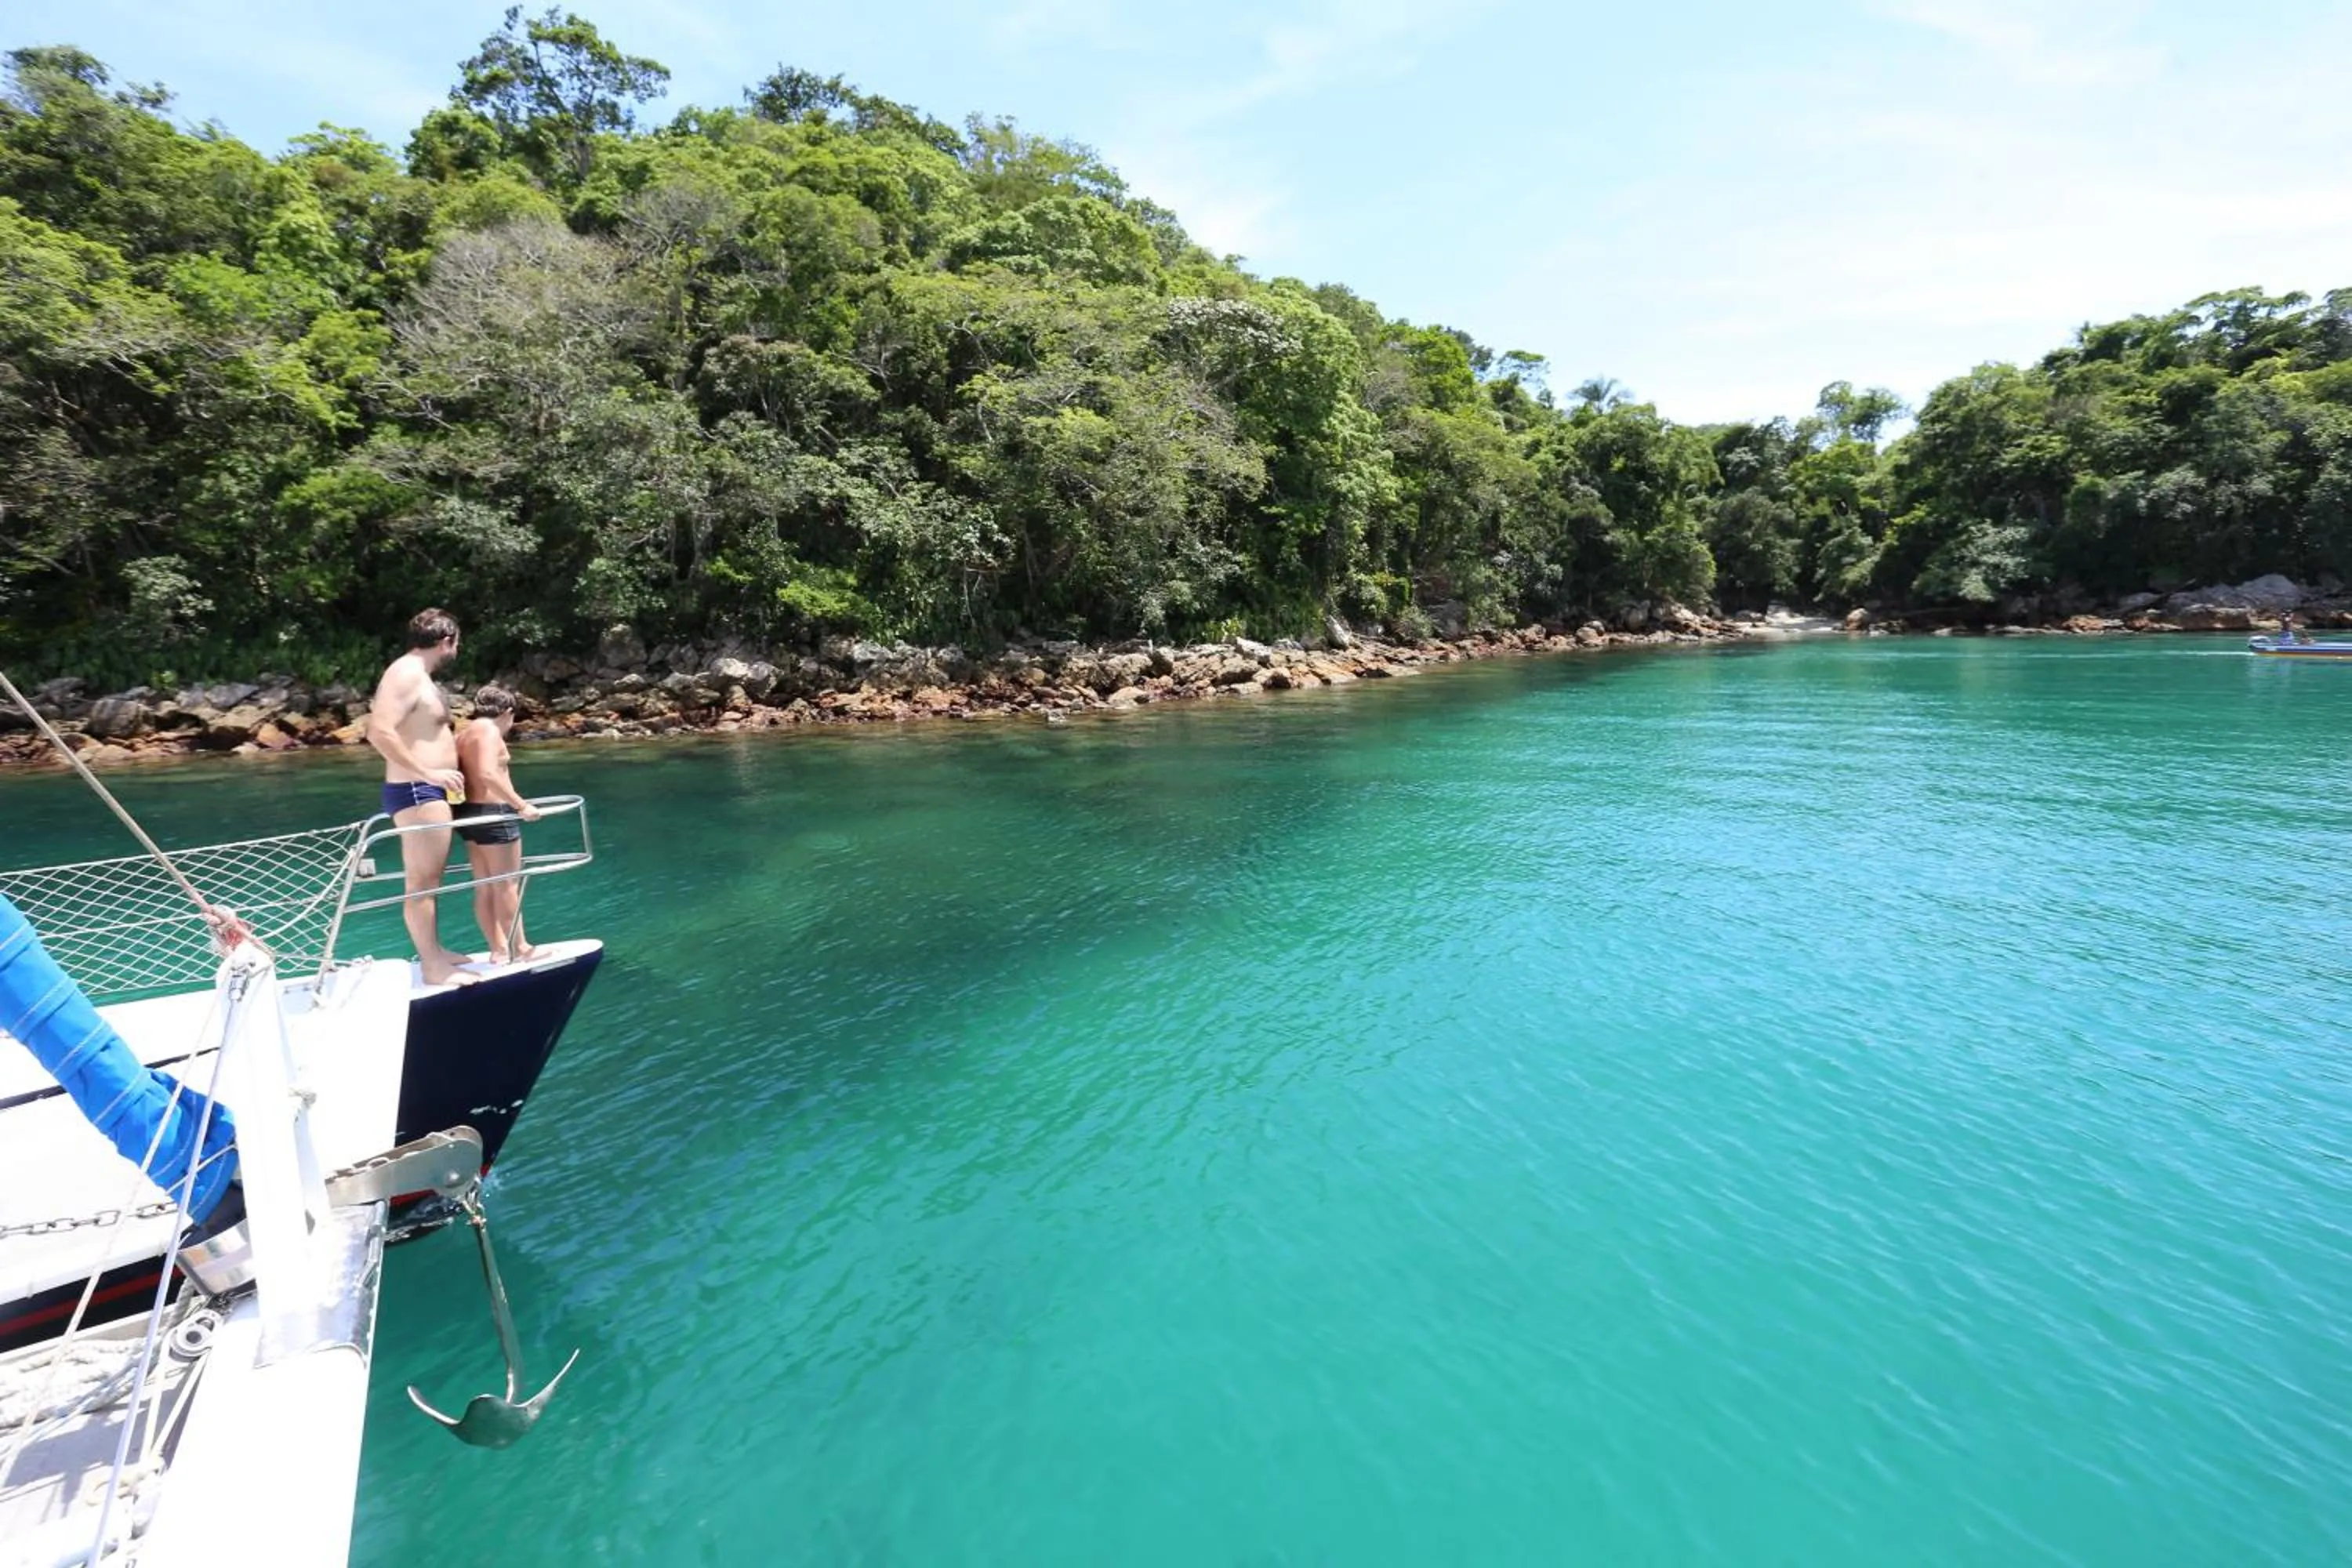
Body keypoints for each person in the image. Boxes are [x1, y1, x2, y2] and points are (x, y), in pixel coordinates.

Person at [365, 608, 475, 986]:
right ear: (447, 641)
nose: (456, 650)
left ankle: (435, 952)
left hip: (427, 790)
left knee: (430, 880)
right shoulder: (406, 673)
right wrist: (428, 773)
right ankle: (433, 967)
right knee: (422, 883)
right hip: (417, 790)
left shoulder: (417, 676)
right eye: (457, 643)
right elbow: (379, 732)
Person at [453, 684, 543, 964]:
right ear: (507, 713)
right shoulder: (490, 731)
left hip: (467, 813)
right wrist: (522, 805)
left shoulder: (462, 735)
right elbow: (488, 774)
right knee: (506, 885)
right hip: (494, 814)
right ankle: (522, 948)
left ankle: (498, 949)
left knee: (485, 885)